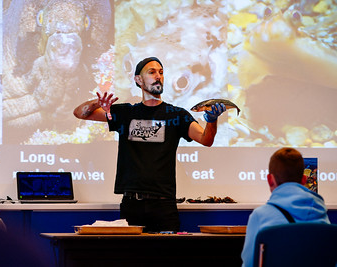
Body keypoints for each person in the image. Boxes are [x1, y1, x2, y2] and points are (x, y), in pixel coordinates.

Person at [73, 57, 226, 232]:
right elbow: (80, 113)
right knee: (133, 258)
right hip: (132, 204)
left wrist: (212, 121)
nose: (158, 76)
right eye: (151, 72)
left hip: (164, 205)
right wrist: (98, 103)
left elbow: (206, 140)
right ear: (138, 79)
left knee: (166, 258)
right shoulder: (126, 113)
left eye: (161, 72)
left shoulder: (176, 115)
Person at [241, 147, 330, 267]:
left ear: (270, 180)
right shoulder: (321, 213)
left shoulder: (260, 216)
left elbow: (250, 264)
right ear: (304, 180)